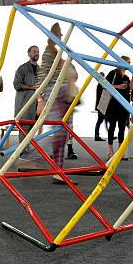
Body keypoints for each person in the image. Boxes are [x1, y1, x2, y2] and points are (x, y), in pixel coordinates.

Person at [36, 24, 77, 184]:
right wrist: (41, 98)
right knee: (59, 132)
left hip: (63, 94)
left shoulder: (59, 54)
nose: (61, 38)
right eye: (59, 35)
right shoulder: (49, 53)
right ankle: (32, 156)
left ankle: (57, 170)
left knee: (62, 134)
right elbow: (43, 76)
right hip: (56, 93)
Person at [13, 45, 41, 167]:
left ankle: (27, 152)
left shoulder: (40, 69)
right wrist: (31, 87)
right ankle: (23, 156)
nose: (36, 53)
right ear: (28, 53)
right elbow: (16, 84)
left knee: (32, 129)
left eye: (38, 51)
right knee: (24, 129)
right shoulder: (22, 68)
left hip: (37, 105)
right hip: (24, 104)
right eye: (34, 51)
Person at [105, 56, 132, 160]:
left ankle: (120, 152)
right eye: (128, 62)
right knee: (112, 127)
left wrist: (130, 86)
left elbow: (129, 91)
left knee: (122, 128)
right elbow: (104, 84)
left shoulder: (127, 77)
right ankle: (110, 151)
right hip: (113, 104)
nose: (129, 64)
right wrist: (118, 86)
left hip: (124, 105)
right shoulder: (113, 73)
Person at [94, 71, 107, 141]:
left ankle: (97, 135)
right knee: (100, 121)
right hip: (101, 106)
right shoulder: (101, 85)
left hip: (100, 105)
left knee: (102, 120)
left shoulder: (100, 84)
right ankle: (96, 136)